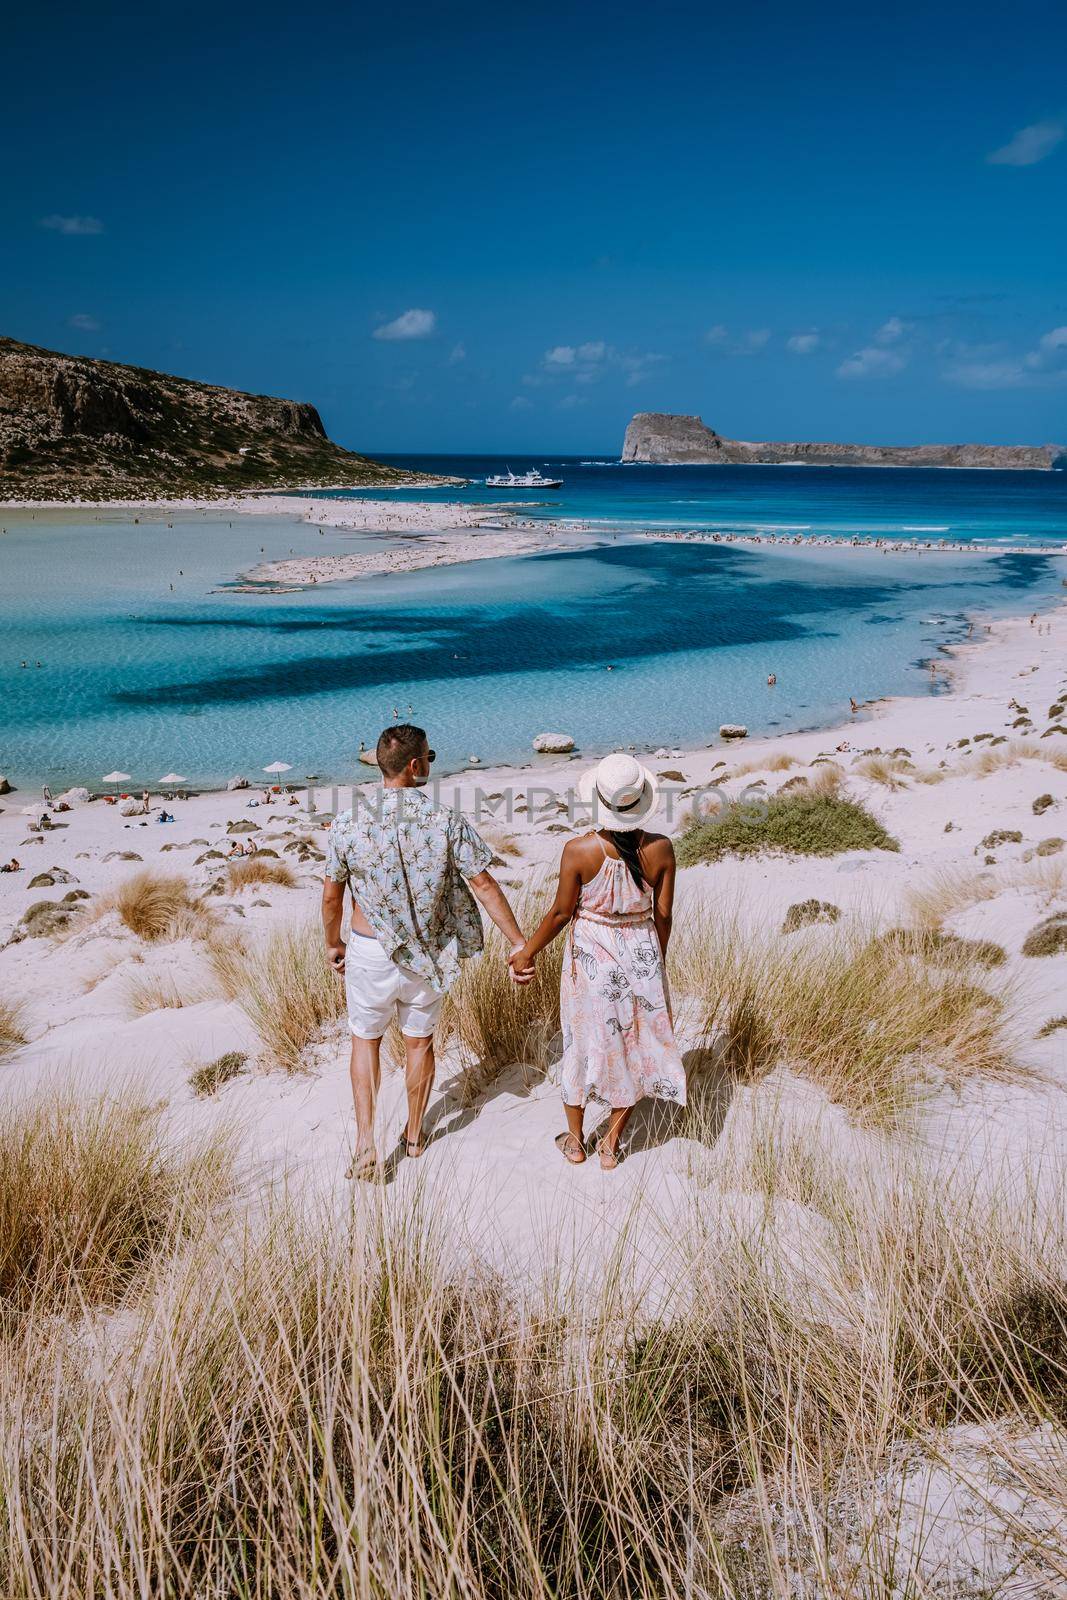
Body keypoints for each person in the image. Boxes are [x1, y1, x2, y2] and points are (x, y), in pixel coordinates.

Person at [322, 723, 529, 1180]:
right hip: (428, 954)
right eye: (430, 757)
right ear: (415, 766)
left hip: (370, 952)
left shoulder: (347, 823)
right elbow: (485, 885)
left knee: (365, 1041)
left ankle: (364, 1143)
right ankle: (414, 1135)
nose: (430, 764)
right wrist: (517, 942)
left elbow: (332, 897)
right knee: (419, 1044)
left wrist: (333, 942)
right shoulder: (446, 821)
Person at [510, 752, 686, 1170]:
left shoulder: (579, 851)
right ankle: (610, 1144)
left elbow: (559, 914)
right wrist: (655, 965)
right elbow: (663, 916)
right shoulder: (661, 849)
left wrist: (527, 952)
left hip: (590, 956)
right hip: (642, 952)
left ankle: (575, 1142)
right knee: (635, 1046)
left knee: (581, 1044)